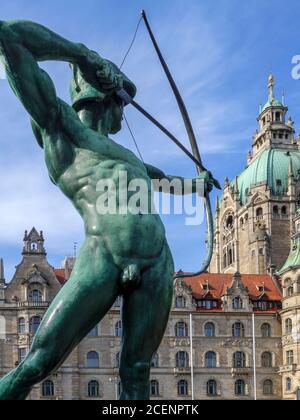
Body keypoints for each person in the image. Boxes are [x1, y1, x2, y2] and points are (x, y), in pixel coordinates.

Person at [0, 20, 213, 400]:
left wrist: (196, 185)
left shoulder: (128, 156)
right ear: (105, 96)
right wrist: (81, 55)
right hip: (104, 256)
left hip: (157, 261)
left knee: (136, 368)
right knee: (38, 362)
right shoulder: (60, 130)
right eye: (122, 102)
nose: (123, 113)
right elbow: (9, 36)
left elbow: (160, 179)